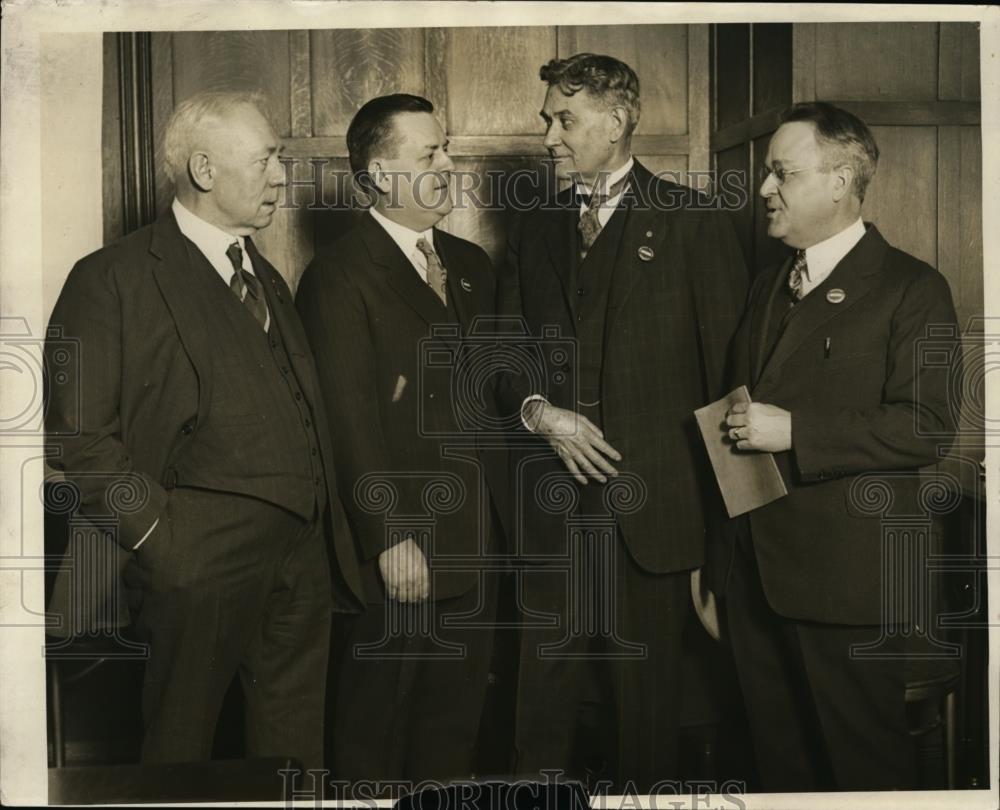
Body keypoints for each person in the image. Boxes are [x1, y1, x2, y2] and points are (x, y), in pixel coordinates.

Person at [44, 91, 364, 774]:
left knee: (293, 758)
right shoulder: (112, 280)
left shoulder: (267, 277)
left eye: (278, 156)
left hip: (301, 557)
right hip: (192, 563)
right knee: (179, 756)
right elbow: (81, 441)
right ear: (204, 169)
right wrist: (163, 539)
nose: (281, 175)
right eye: (265, 160)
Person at [498, 53, 748, 791]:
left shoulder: (693, 224)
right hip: (551, 523)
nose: (549, 136)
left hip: (658, 530)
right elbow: (504, 354)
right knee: (537, 723)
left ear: (615, 122)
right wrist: (539, 413)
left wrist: (721, 550)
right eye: (548, 119)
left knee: (647, 732)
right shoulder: (535, 229)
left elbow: (729, 391)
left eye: (564, 120)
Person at [716, 102, 959, 791]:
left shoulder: (913, 288)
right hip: (755, 582)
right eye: (769, 173)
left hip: (848, 587)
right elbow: (734, 420)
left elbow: (927, 426)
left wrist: (797, 432)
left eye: (781, 173)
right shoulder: (770, 284)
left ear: (840, 180)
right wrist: (719, 566)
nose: (765, 189)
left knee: (862, 774)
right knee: (776, 770)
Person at [296, 94, 509, 788]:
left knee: (453, 737)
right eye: (430, 154)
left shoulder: (471, 263)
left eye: (445, 148)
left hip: (478, 546)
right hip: (402, 553)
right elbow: (347, 421)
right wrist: (389, 537)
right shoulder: (338, 276)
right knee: (376, 738)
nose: (449, 164)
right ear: (384, 173)